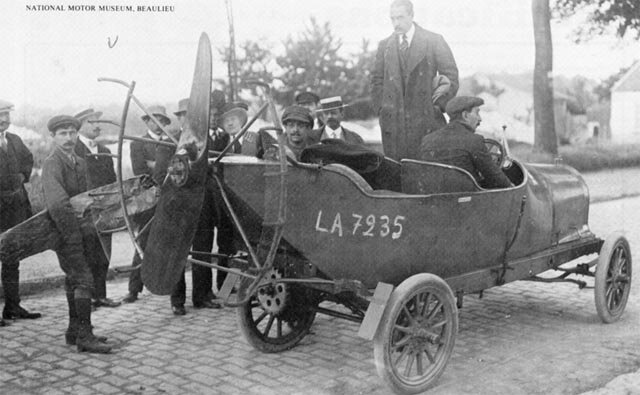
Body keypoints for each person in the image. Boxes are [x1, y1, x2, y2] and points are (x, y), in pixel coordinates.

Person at [42, 115, 111, 353]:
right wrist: (72, 236)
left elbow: (86, 198)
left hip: (84, 232)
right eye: (62, 133)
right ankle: (85, 336)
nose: (69, 138)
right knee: (83, 279)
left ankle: (74, 331)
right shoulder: (53, 163)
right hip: (66, 233)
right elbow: (58, 205)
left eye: (72, 133)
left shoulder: (80, 162)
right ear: (53, 137)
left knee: (74, 279)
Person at [371, 0, 459, 161]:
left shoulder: (434, 40)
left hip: (426, 123)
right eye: (393, 19)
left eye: (400, 18)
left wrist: (438, 107)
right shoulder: (385, 46)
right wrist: (382, 110)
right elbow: (376, 81)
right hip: (394, 126)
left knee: (427, 171)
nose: (396, 23)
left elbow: (451, 77)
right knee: (397, 174)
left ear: (412, 15)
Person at [122, 105, 172, 304]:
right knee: (143, 243)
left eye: (162, 120)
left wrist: (157, 166)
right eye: (154, 119)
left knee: (170, 244)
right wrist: (160, 167)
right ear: (147, 121)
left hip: (169, 199)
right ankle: (134, 289)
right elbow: (140, 172)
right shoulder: (138, 143)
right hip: (147, 201)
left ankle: (170, 292)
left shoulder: (170, 143)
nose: (158, 123)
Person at [73, 108, 120, 309]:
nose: (97, 125)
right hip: (84, 212)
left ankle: (100, 295)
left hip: (104, 211)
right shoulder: (73, 150)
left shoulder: (105, 151)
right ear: (81, 126)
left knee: (103, 254)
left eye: (97, 122)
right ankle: (87, 299)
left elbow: (112, 181)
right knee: (86, 255)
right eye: (92, 122)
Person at [0, 100, 41, 326]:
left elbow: (28, 160)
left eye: (5, 114)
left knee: (12, 258)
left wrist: (23, 177)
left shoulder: (14, 140)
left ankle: (13, 307)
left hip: (15, 209)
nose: (3, 119)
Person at [419, 96, 513, 189]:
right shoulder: (474, 141)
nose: (480, 119)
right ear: (465, 115)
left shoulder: (427, 140)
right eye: (477, 113)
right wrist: (511, 186)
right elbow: (497, 180)